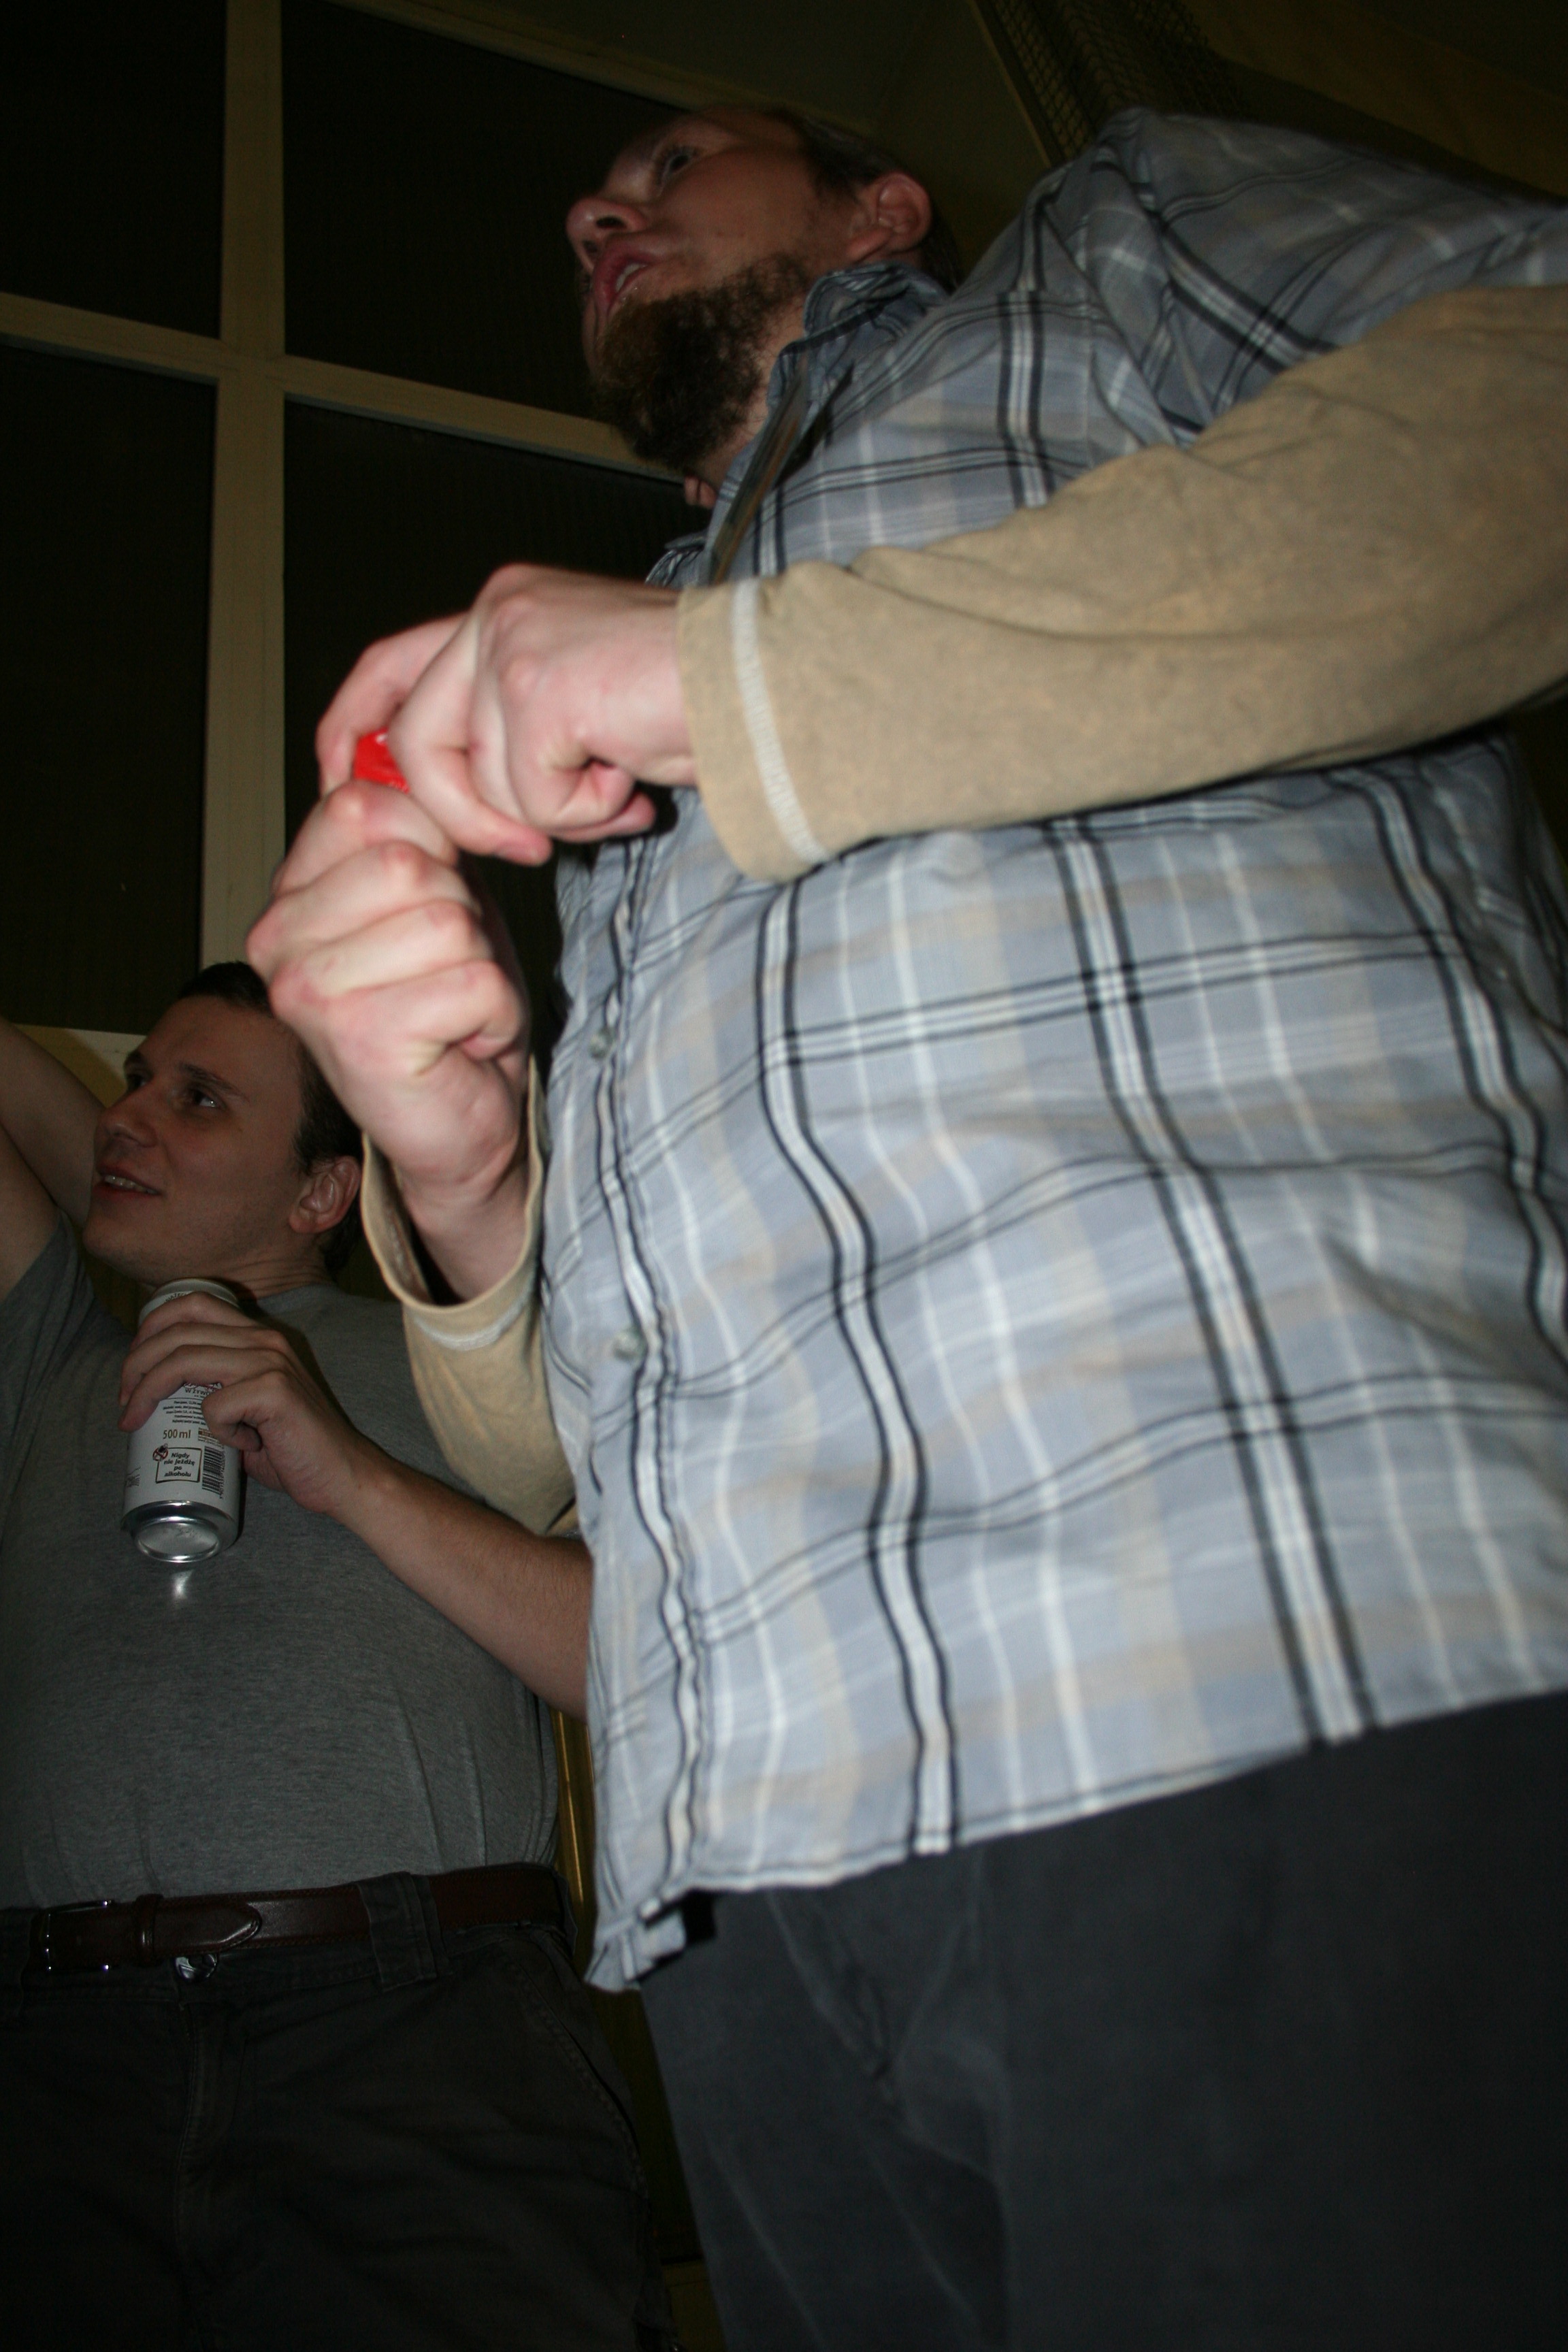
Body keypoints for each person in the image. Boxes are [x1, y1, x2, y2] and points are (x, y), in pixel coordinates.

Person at [252, 105, 1568, 2350]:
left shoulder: (1113, 246)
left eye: (679, 155)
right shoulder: (620, 707)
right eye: (591, 197)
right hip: (751, 1897)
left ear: (882, 207)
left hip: (1274, 1665)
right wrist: (463, 1176)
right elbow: (556, 1463)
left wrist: (728, 689)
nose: (596, 207)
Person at [0, 970, 673, 2351]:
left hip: (414, 2043)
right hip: (58, 2060)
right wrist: (159, 1148)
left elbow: (641, 1664)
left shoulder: (461, 1364)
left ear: (323, 1192)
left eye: (199, 1099)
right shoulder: (56, 1354)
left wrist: (353, 1476)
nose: (129, 1116)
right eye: (135, 1081)